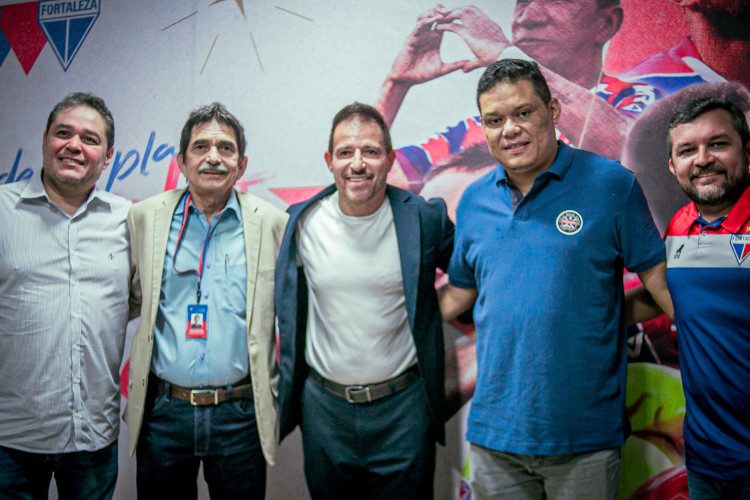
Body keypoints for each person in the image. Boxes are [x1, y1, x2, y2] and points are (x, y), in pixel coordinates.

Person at [439, 59, 673, 499]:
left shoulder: (611, 185)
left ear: (554, 110)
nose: (510, 129)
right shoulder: (472, 202)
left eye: (523, 113)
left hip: (583, 437)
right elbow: (459, 294)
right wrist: (383, 321)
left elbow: (660, 284)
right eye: (495, 120)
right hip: (494, 438)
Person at [275, 102, 454, 499]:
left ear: (389, 159)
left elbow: (473, 272)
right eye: (345, 153)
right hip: (325, 412)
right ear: (329, 160)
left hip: (403, 411)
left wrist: (435, 309)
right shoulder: (299, 223)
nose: (358, 164)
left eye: (371, 152)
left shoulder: (424, 219)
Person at [125, 103, 288, 499]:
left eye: (225, 148)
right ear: (181, 160)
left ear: (242, 163)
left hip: (240, 413)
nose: (213, 157)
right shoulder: (145, 218)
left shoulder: (272, 222)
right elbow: (126, 301)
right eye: (201, 147)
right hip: (164, 412)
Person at [377, 0, 662, 194]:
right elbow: (373, 182)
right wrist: (395, 85)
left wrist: (507, 55)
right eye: (522, 1)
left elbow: (624, 147)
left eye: (555, 0)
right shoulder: (477, 130)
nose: (529, 17)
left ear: (605, 24)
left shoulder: (638, 100)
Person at [0, 92, 131, 499]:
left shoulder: (129, 220)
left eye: (90, 139)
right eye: (63, 133)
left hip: (91, 436)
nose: (75, 145)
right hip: (10, 437)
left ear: (107, 157)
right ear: (44, 141)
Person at [663, 96, 750, 499]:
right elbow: (675, 297)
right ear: (672, 166)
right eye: (687, 150)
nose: (702, 159)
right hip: (705, 461)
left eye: (718, 144)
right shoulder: (679, 227)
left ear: (747, 152)